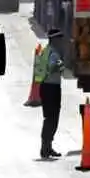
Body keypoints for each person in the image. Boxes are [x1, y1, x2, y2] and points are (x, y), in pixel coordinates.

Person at [34, 29, 66, 158]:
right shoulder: (53, 53)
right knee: (52, 119)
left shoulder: (47, 51)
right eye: (60, 39)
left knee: (49, 119)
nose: (61, 42)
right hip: (51, 88)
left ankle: (47, 147)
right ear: (55, 40)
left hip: (46, 87)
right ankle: (45, 148)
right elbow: (52, 67)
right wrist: (60, 63)